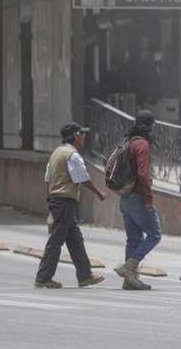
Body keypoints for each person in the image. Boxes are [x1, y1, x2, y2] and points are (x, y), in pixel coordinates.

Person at [34, 122, 107, 289]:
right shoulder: (72, 155)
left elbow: (47, 179)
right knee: (56, 240)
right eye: (82, 134)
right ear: (75, 136)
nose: (84, 137)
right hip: (64, 201)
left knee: (75, 239)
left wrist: (50, 201)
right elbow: (81, 178)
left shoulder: (56, 153)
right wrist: (99, 193)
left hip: (58, 201)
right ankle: (43, 277)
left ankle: (85, 275)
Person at [114, 110, 162, 291]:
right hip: (137, 197)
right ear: (150, 126)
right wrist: (148, 198)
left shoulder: (129, 142)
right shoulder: (142, 144)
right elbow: (142, 173)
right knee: (155, 235)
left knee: (133, 239)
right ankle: (130, 267)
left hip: (125, 197)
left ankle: (129, 281)